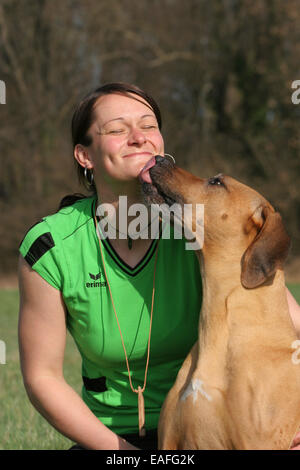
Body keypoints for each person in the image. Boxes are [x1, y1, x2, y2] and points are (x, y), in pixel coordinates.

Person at [18, 82, 300, 451]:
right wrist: (126, 454)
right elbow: (43, 378)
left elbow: (288, 329)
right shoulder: (51, 245)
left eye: (148, 126)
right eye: (117, 130)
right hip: (108, 441)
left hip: (209, 433)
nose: (138, 137)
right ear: (84, 156)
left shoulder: (203, 230)